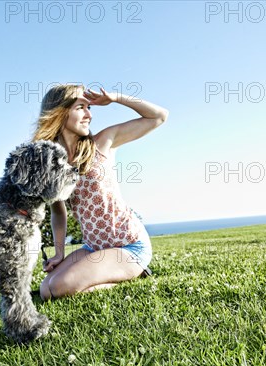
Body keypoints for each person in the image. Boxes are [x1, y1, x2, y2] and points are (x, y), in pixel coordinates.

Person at [33, 84, 168, 300]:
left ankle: (134, 273)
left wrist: (114, 98)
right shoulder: (53, 165)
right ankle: (107, 273)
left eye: (90, 108)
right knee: (46, 289)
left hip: (128, 246)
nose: (89, 114)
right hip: (93, 247)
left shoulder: (104, 142)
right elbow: (59, 212)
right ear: (60, 112)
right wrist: (59, 253)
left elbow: (159, 116)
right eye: (81, 108)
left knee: (59, 286)